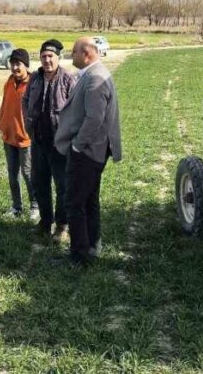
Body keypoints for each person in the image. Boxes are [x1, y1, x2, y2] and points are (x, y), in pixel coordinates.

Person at [54, 36, 123, 266]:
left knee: (74, 203)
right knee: (89, 200)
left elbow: (94, 119)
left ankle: (79, 255)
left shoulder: (95, 79)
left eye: (73, 52)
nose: (70, 56)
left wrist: (76, 146)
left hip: (87, 152)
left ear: (87, 54)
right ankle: (93, 245)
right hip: (93, 151)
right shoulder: (95, 74)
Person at [23, 39, 77, 243]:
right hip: (38, 142)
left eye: (50, 56)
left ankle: (62, 226)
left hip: (60, 145)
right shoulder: (35, 79)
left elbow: (76, 111)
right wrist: (28, 125)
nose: (47, 60)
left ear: (59, 58)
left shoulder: (68, 80)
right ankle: (45, 223)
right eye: (43, 56)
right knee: (39, 183)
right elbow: (25, 101)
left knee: (62, 185)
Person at [0, 48, 37, 220]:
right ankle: (16, 206)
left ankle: (35, 206)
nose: (14, 68)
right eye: (12, 64)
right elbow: (5, 103)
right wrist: (1, 121)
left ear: (26, 66)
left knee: (28, 174)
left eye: (18, 64)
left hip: (25, 139)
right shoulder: (9, 82)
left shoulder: (33, 83)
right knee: (13, 174)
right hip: (9, 136)